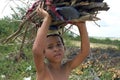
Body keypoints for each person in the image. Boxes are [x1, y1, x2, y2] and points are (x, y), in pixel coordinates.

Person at [32, 2, 90, 80]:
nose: (56, 49)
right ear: (44, 53)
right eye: (50, 47)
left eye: (59, 44)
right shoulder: (43, 70)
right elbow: (37, 51)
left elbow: (84, 53)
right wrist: (47, 19)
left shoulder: (66, 68)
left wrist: (81, 25)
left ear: (64, 48)